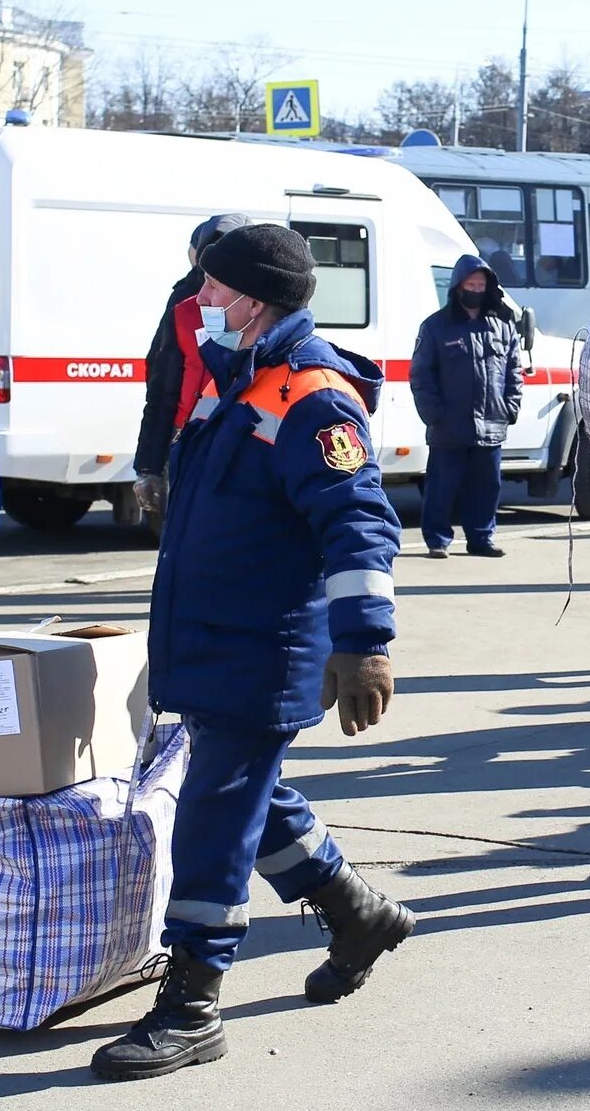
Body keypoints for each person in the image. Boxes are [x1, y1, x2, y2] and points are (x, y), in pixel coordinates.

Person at [94, 224, 413, 1080]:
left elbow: (358, 526)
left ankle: (193, 1002)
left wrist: (367, 645)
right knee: (247, 796)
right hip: (214, 634)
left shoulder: (310, 398)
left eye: (211, 288)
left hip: (265, 645)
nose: (197, 302)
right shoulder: (239, 383)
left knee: (213, 815)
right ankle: (356, 911)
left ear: (256, 299)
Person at [136, 214, 250, 523]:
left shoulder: (261, 308)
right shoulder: (184, 306)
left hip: (238, 441)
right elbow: (161, 385)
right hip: (186, 437)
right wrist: (148, 465)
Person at [408, 254, 522, 559]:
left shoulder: (502, 326)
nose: (475, 289)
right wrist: (434, 415)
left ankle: (481, 538)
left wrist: (510, 407)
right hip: (449, 426)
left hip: (492, 424)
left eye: (480, 284)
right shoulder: (435, 327)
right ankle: (437, 539)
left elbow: (514, 370)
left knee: (486, 488)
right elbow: (421, 375)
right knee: (441, 488)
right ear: (458, 287)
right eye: (470, 284)